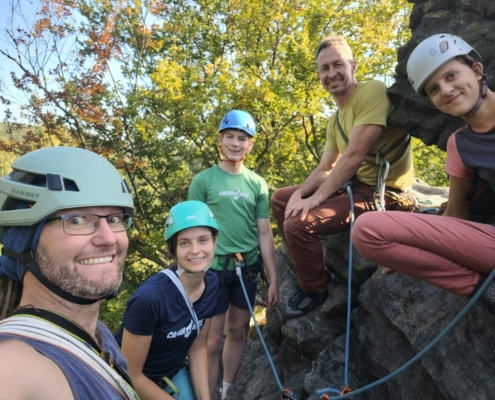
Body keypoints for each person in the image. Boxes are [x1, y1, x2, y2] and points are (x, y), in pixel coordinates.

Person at [271, 35, 413, 319]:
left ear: (353, 66)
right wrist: (299, 195)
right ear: (319, 75)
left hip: (385, 194)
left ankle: (314, 288)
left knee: (298, 224)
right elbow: (326, 167)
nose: (332, 73)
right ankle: (308, 264)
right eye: (325, 68)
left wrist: (314, 200)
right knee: (280, 199)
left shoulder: (372, 91)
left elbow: (354, 155)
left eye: (338, 64)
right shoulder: (335, 120)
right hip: (356, 185)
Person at [351, 33, 495, 308]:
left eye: (451, 75)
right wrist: (410, 249)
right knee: (366, 230)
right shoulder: (460, 145)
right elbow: (455, 215)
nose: (446, 90)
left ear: (477, 71)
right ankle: (485, 290)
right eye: (434, 89)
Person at [0, 146, 138, 400]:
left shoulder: (101, 337)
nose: (109, 238)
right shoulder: (13, 366)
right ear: (23, 242)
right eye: (76, 220)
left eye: (115, 219)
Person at [188, 109, 279, 399]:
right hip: (212, 271)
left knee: (237, 331)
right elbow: (192, 231)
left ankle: (227, 391)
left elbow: (264, 233)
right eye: (230, 137)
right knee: (211, 341)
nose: (235, 144)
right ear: (220, 140)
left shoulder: (257, 184)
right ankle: (206, 395)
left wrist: (273, 279)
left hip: (246, 268)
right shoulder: (203, 181)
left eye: (242, 139)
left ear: (250, 144)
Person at [115, 200, 220, 400]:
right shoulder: (150, 298)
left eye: (203, 240)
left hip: (171, 375)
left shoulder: (212, 285)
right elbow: (132, 374)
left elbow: (198, 347)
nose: (195, 250)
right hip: (128, 381)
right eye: (184, 243)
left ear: (215, 242)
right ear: (174, 249)